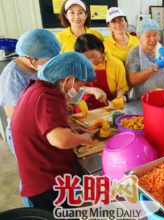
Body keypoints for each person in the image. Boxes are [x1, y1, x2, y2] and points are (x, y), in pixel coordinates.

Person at [11, 52, 94, 211]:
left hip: (37, 177)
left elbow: (42, 126)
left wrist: (68, 128)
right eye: (80, 85)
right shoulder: (48, 96)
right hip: (48, 185)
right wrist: (84, 138)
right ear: (68, 79)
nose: (80, 90)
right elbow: (60, 140)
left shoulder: (36, 87)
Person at [0, 29, 61, 208]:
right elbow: (15, 116)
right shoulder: (13, 75)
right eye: (48, 60)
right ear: (31, 58)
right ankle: (33, 209)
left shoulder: (39, 67)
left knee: (45, 173)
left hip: (42, 128)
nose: (51, 63)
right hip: (25, 134)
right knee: (31, 176)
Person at [125, 19, 164, 101]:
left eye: (155, 34)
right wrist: (154, 67)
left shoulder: (162, 50)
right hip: (141, 101)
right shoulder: (134, 53)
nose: (153, 39)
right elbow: (132, 80)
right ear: (139, 37)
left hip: (163, 99)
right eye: (148, 36)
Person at [75, 34, 128, 110]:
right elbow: (74, 89)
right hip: (83, 108)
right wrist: (93, 90)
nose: (91, 61)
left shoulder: (116, 64)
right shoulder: (78, 65)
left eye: (94, 56)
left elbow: (122, 87)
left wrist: (119, 99)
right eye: (86, 58)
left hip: (108, 107)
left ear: (100, 49)